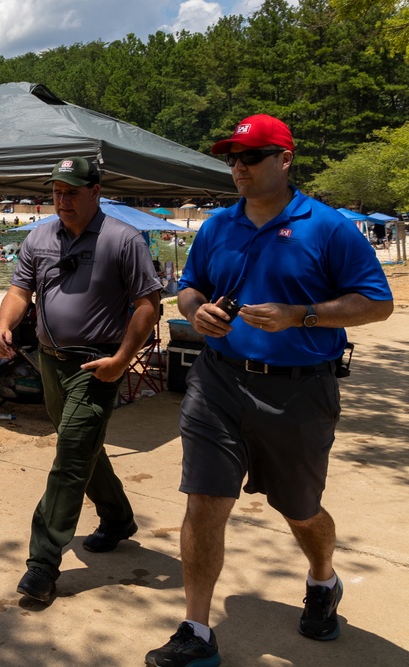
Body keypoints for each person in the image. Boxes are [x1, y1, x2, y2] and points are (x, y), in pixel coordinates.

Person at [144, 115, 394, 667]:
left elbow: (378, 303)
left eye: (251, 157)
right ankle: (196, 630)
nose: (238, 168)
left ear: (285, 159)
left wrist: (300, 316)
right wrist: (196, 311)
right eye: (233, 158)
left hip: (299, 391)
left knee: (301, 510)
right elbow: (190, 287)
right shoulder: (216, 227)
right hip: (218, 382)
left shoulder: (327, 227)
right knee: (204, 503)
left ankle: (324, 581)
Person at [0, 156, 161, 604]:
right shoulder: (40, 236)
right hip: (50, 362)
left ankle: (43, 562)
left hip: (96, 366)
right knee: (80, 445)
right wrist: (3, 325)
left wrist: (123, 360)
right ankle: (119, 518)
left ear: (95, 192)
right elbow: (19, 290)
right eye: (56, 192)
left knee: (69, 458)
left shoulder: (124, 240)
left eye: (71, 192)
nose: (62, 201)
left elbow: (148, 306)